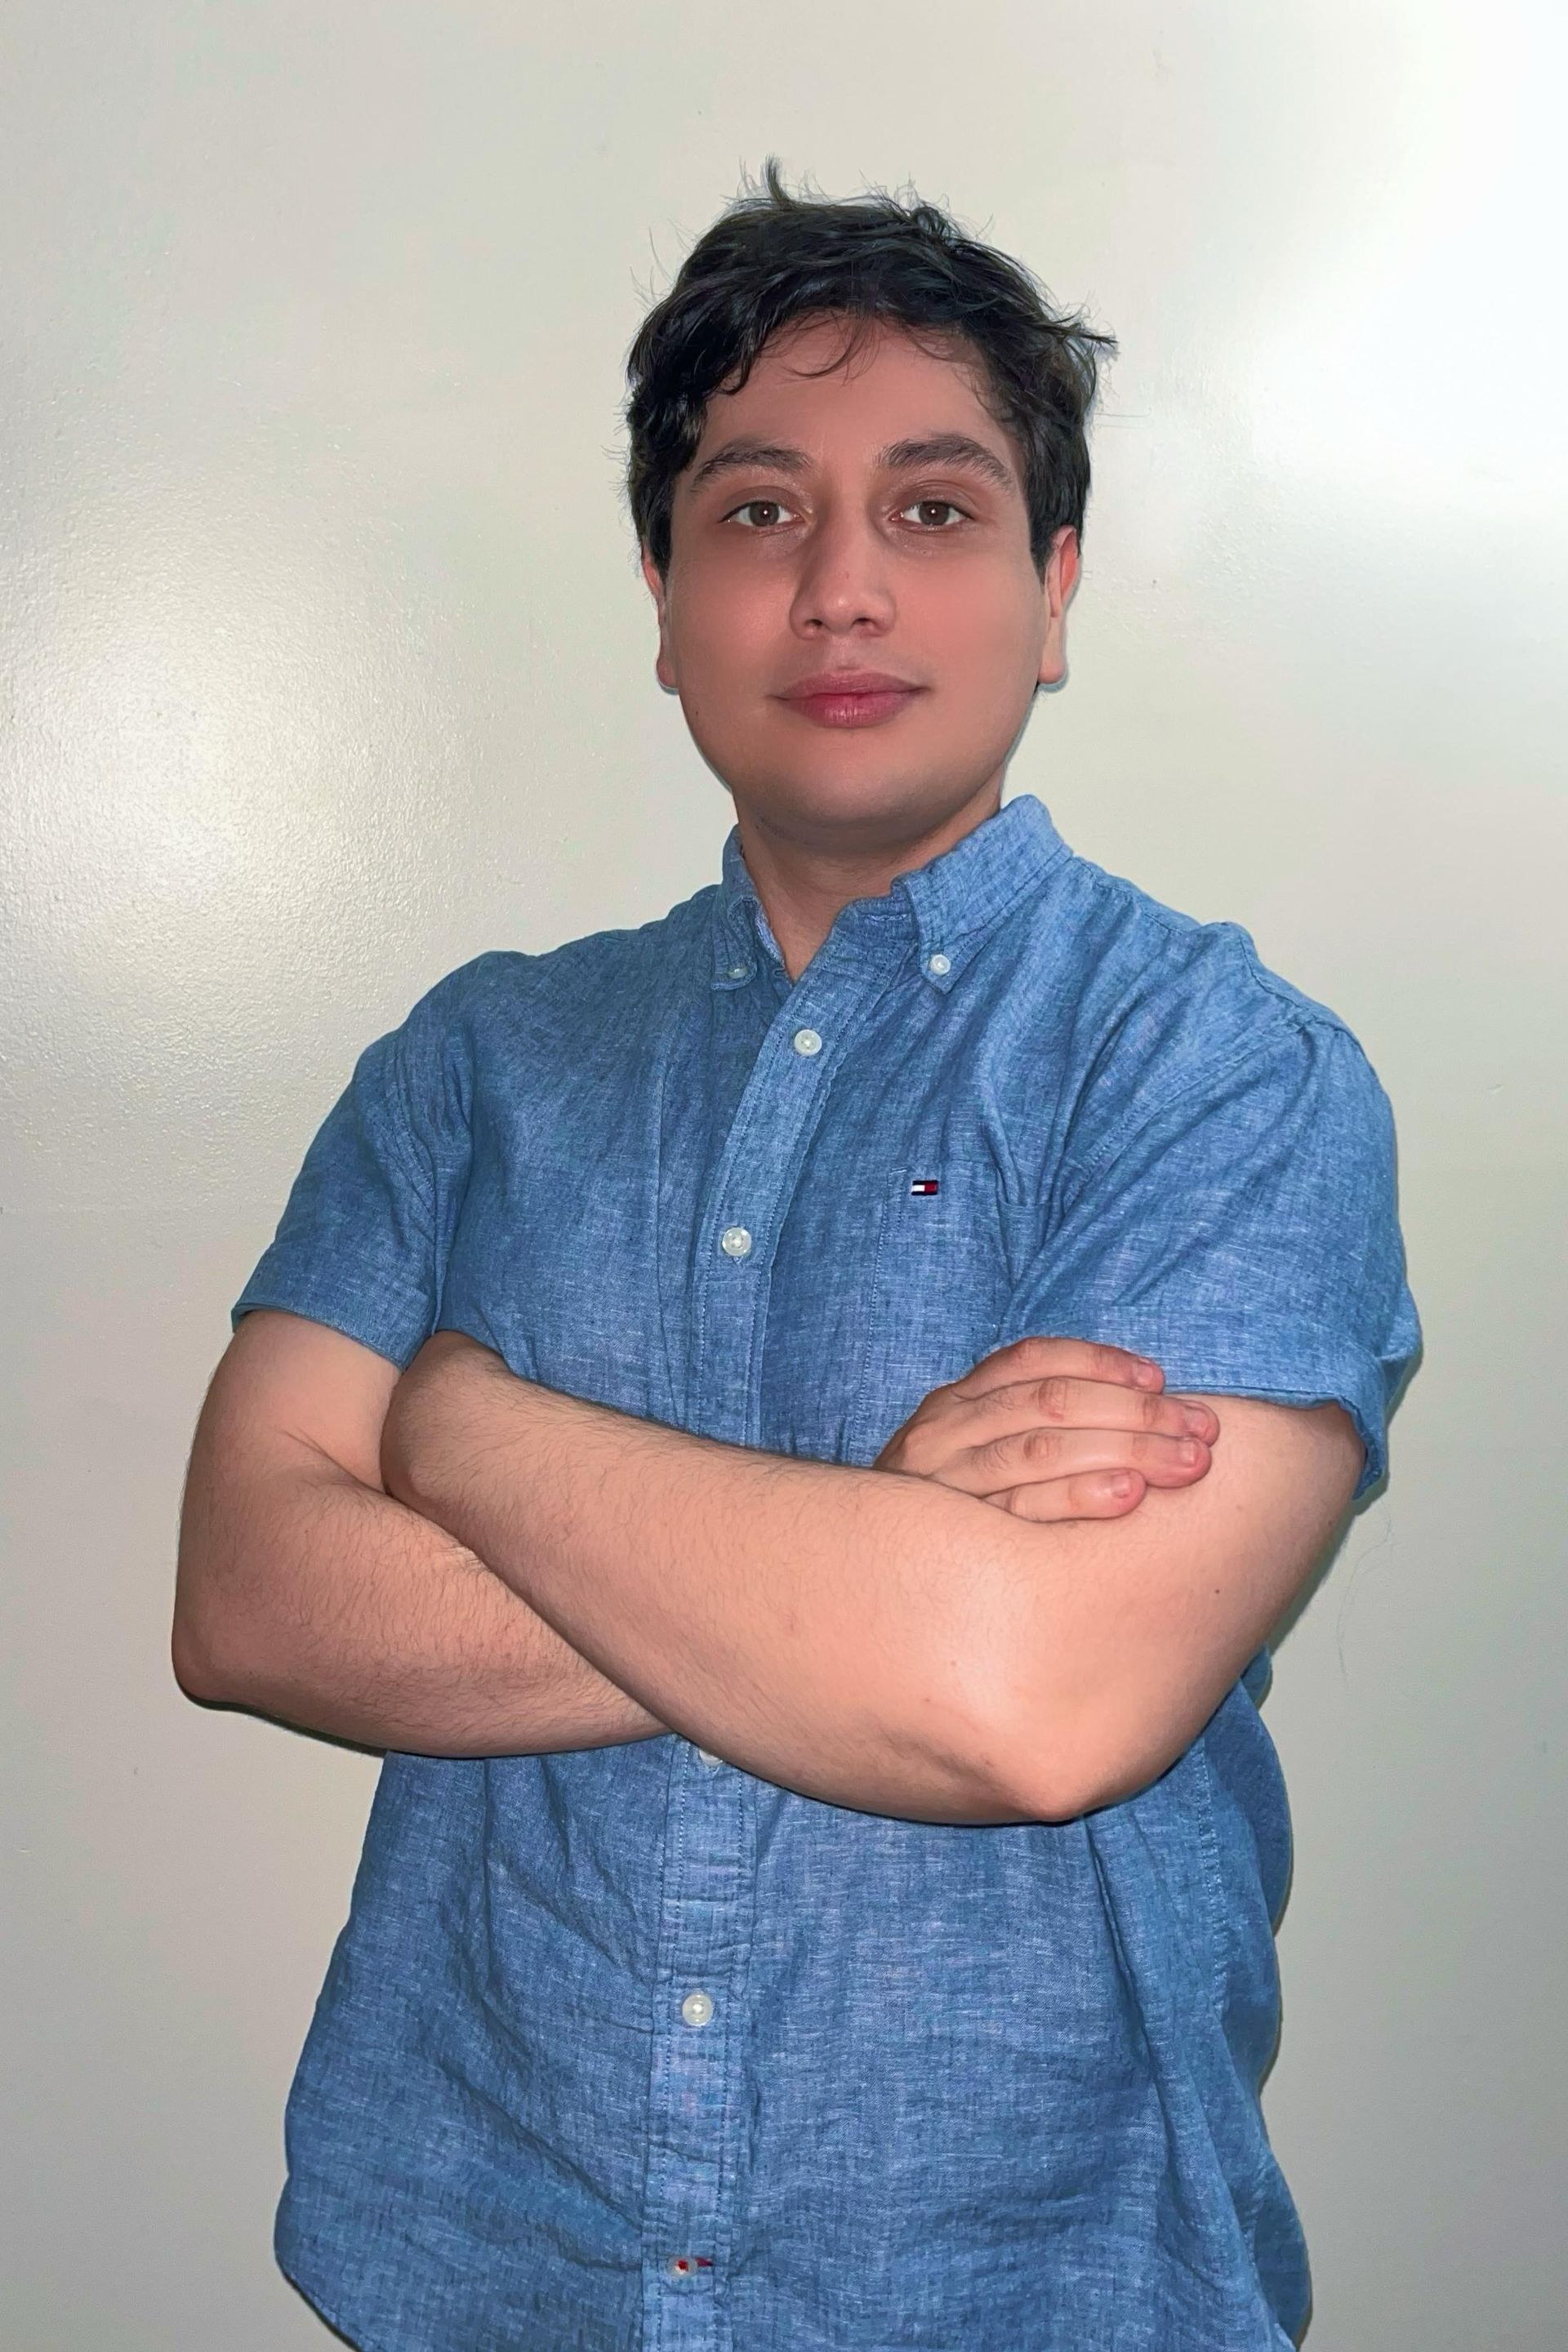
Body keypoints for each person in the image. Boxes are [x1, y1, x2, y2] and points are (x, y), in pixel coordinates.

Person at [173, 158, 1420, 2352]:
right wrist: (880, 1558)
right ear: (662, 596)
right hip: (481, 2267)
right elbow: (253, 1601)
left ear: (1054, 589)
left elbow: (1035, 1701)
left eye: (932, 511)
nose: (841, 589)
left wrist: (458, 1428)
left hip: (1039, 2289)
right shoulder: (475, 1063)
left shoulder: (1227, 1070)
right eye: (759, 514)